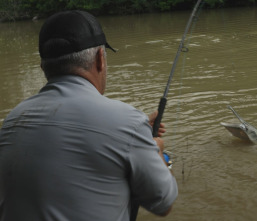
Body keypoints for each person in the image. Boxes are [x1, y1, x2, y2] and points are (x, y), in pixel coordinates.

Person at [0, 10, 177, 221]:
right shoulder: (128, 122)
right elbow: (163, 202)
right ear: (100, 59)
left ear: (43, 67)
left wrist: (137, 135)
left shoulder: (11, 122)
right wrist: (154, 149)